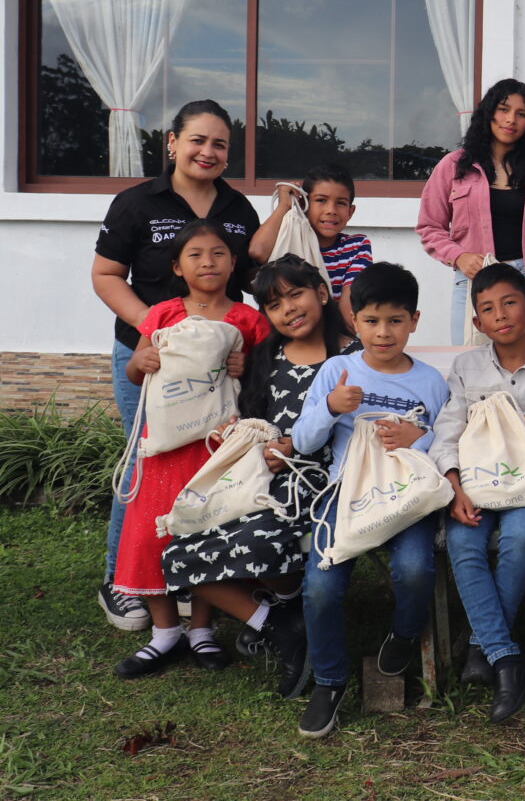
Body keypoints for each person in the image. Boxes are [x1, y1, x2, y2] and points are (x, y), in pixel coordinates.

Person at [91, 99, 260, 631]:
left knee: (206, 466)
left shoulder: (238, 210)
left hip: (216, 369)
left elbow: (250, 284)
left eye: (219, 145)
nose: (208, 152)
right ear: (172, 142)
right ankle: (123, 582)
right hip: (149, 357)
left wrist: (243, 348)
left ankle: (195, 574)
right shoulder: (136, 203)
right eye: (198, 140)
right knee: (146, 464)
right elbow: (106, 274)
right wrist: (157, 331)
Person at [162, 253, 357, 697]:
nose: (288, 308)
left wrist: (298, 446)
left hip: (322, 485)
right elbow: (253, 416)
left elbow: (360, 428)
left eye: (296, 294)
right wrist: (243, 435)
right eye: (274, 304)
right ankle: (282, 623)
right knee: (177, 555)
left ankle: (288, 609)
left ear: (322, 293)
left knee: (258, 541)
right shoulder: (266, 358)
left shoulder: (351, 356)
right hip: (259, 485)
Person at [292, 262, 451, 739]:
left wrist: (417, 437)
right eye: (372, 321)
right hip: (347, 492)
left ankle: (404, 634)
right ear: (354, 321)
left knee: (416, 569)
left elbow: (445, 441)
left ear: (415, 321)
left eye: (396, 321)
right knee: (320, 587)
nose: (383, 333)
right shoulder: (337, 371)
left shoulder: (430, 381)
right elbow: (302, 441)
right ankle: (328, 680)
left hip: (407, 497)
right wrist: (330, 408)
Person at [110, 220, 270, 680]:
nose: (208, 262)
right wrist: (140, 362)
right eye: (196, 255)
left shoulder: (247, 319)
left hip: (217, 452)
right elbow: (137, 375)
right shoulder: (160, 314)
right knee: (150, 535)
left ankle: (201, 630)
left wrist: (247, 364)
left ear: (233, 262)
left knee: (205, 534)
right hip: (162, 450)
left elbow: (261, 383)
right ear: (177, 267)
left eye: (218, 253)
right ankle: (164, 633)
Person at [428, 264, 525, 724]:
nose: (500, 315)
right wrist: (453, 485)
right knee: (464, 545)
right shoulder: (466, 368)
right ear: (477, 323)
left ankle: (479, 647)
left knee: (521, 540)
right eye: (487, 308)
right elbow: (447, 429)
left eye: (509, 303)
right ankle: (506, 659)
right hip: (475, 484)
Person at [416, 78, 525, 344]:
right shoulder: (454, 167)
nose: (511, 119)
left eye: (521, 114)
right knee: (471, 367)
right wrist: (459, 256)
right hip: (474, 283)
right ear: (488, 113)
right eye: (503, 109)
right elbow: (429, 227)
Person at [250, 162, 374, 327]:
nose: (331, 210)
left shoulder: (356, 246)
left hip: (332, 337)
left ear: (350, 212)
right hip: (281, 338)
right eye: (321, 200)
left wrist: (341, 350)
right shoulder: (286, 238)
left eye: (341, 203)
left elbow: (348, 309)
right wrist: (284, 205)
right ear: (304, 204)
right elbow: (258, 252)